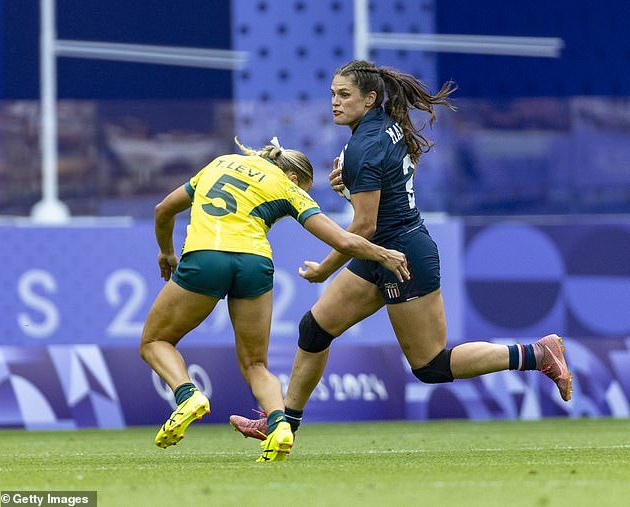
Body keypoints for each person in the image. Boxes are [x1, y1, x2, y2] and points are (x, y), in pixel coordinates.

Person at [229, 60, 572, 442]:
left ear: (370, 98)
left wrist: (325, 269)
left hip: (403, 255)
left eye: (345, 95)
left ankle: (538, 354)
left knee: (431, 365)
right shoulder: (380, 128)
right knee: (315, 328)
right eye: (332, 94)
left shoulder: (364, 145)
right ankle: (282, 425)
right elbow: (380, 195)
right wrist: (354, 186)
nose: (335, 103)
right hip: (380, 253)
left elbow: (363, 226)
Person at [139, 135, 410, 462]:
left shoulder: (220, 163)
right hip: (255, 263)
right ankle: (280, 424)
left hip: (206, 255)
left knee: (155, 341)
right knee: (256, 364)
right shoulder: (287, 187)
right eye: (305, 189)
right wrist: (383, 254)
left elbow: (163, 209)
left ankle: (188, 395)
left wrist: (167, 252)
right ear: (295, 178)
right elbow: (343, 240)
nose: (303, 193)